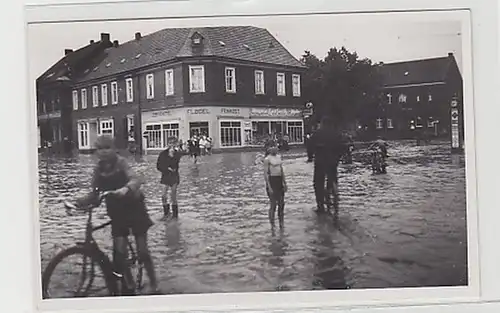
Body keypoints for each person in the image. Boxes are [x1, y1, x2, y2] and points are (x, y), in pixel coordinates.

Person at [72, 135, 159, 295]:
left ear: (114, 149)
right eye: (99, 149)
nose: (103, 152)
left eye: (107, 148)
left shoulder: (121, 163)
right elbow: (95, 194)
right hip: (117, 213)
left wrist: (126, 189)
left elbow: (135, 178)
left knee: (142, 251)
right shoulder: (98, 170)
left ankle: (154, 283)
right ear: (96, 151)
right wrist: (77, 202)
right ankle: (129, 283)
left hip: (134, 208)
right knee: (119, 252)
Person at [310, 116, 348, 213]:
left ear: (322, 123)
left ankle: (320, 206)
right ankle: (332, 189)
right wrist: (339, 157)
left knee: (318, 182)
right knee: (333, 177)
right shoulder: (337, 134)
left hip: (320, 162)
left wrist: (310, 156)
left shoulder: (317, 133)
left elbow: (310, 146)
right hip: (333, 162)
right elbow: (343, 147)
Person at [157, 137, 183, 220]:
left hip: (174, 176)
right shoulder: (162, 154)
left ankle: (175, 215)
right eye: (170, 143)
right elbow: (158, 166)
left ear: (175, 144)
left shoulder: (177, 154)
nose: (171, 144)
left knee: (173, 195)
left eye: (173, 143)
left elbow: (175, 165)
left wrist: (172, 156)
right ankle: (166, 213)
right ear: (167, 144)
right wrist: (166, 168)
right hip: (165, 176)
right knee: (163, 195)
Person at [263, 144, 287, 231]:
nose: (276, 148)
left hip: (279, 180)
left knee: (281, 204)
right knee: (273, 204)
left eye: (276, 147)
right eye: (274, 147)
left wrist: (284, 182)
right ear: (270, 149)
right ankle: (272, 225)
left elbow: (281, 170)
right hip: (272, 180)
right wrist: (269, 186)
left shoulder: (279, 157)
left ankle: (281, 223)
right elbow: (266, 174)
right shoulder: (267, 159)